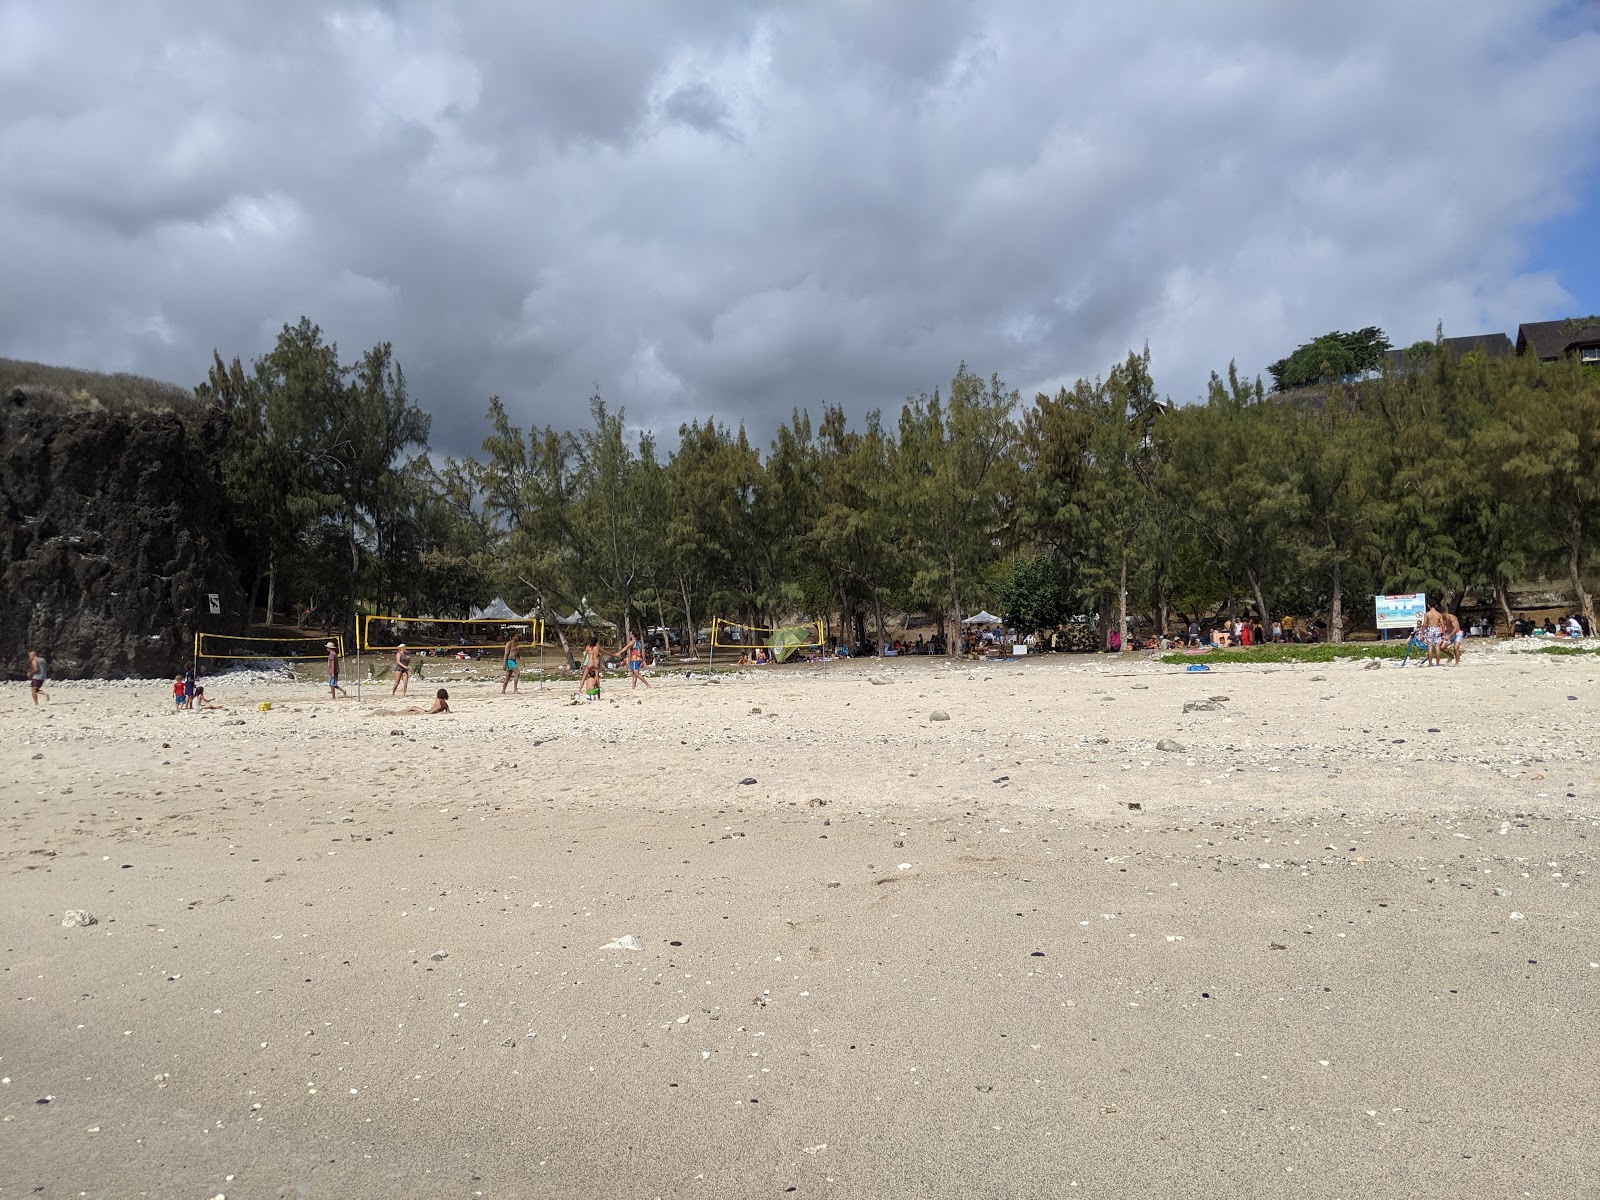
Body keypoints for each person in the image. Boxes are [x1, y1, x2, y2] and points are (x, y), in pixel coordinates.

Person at [1422, 599, 1446, 667]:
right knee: (1437, 647)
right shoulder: (1439, 614)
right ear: (1436, 605)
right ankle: (1438, 663)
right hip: (1437, 629)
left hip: (1430, 629)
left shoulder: (1427, 614)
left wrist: (1422, 633)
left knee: (1430, 647)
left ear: (1428, 605)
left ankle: (1430, 664)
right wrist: (1443, 634)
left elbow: (1424, 624)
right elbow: (1442, 625)